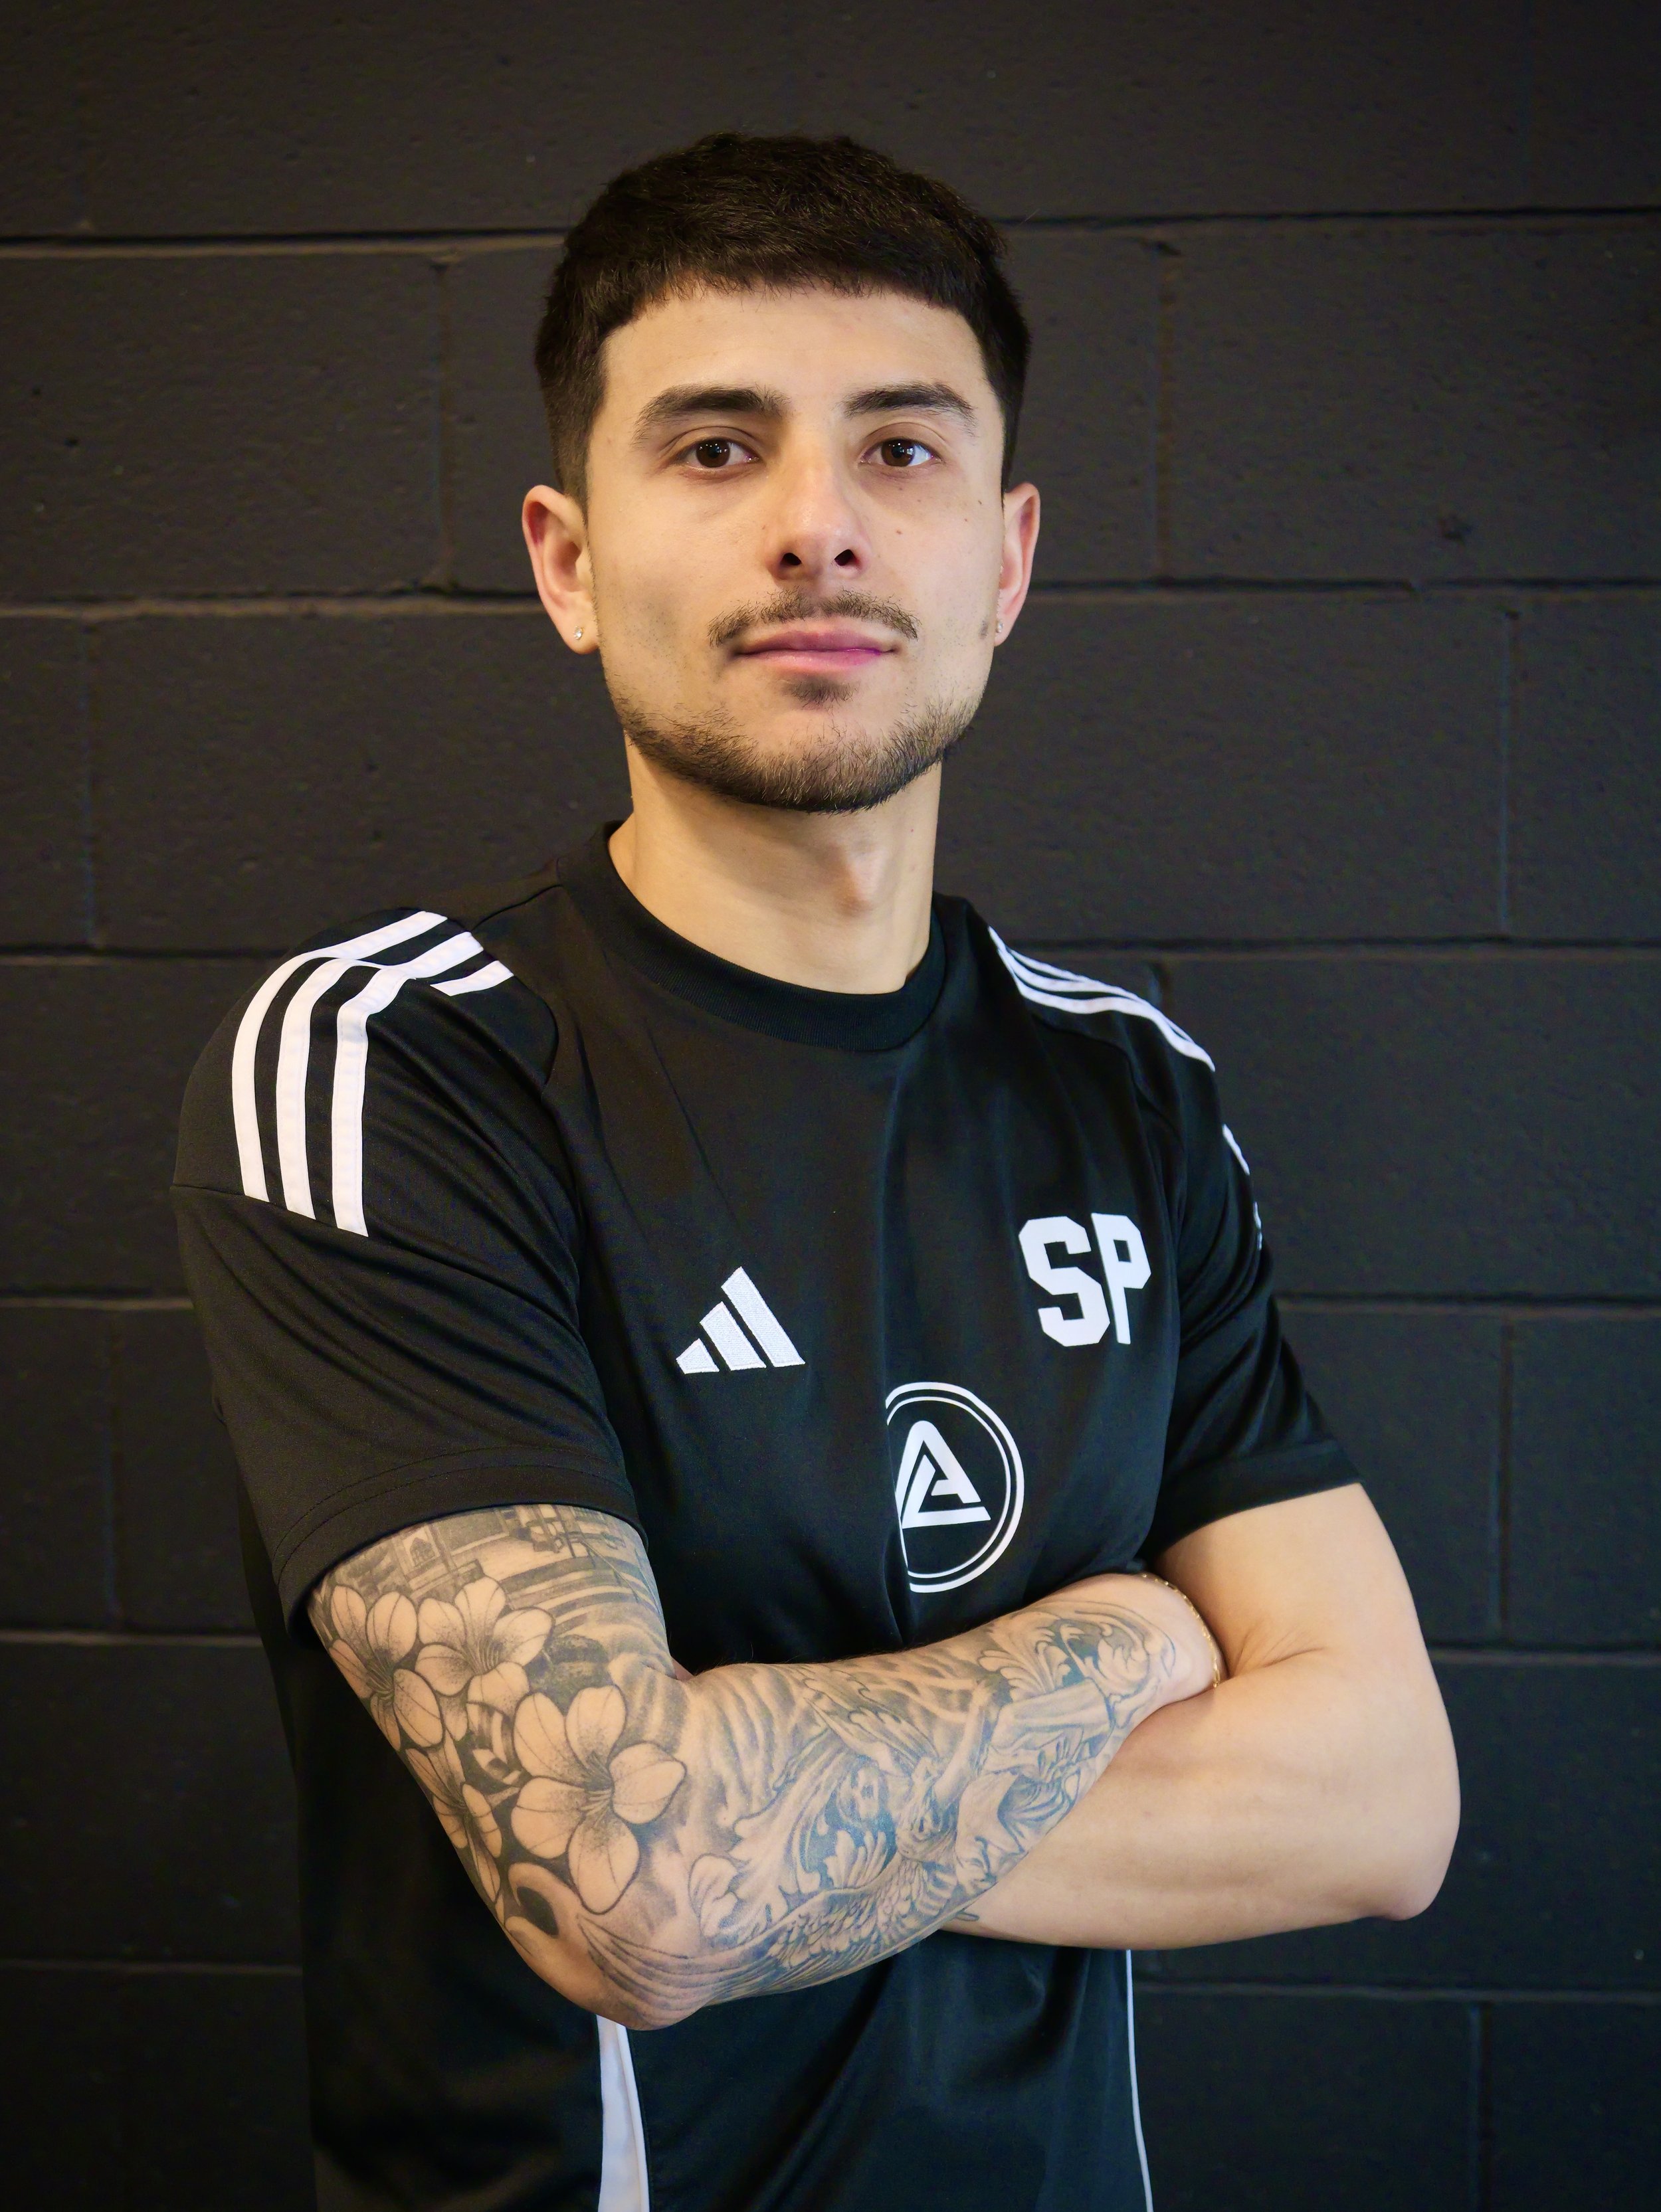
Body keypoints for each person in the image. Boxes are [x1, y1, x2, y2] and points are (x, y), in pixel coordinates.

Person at [175, 134, 1459, 2212]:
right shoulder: (394, 1060)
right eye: (709, 448)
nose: (815, 531)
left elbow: (1386, 1804)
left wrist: (747, 1811)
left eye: (901, 451)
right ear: (567, 560)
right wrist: (1128, 1636)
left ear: (1006, 557)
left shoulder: (1124, 1089)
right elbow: (644, 1893)